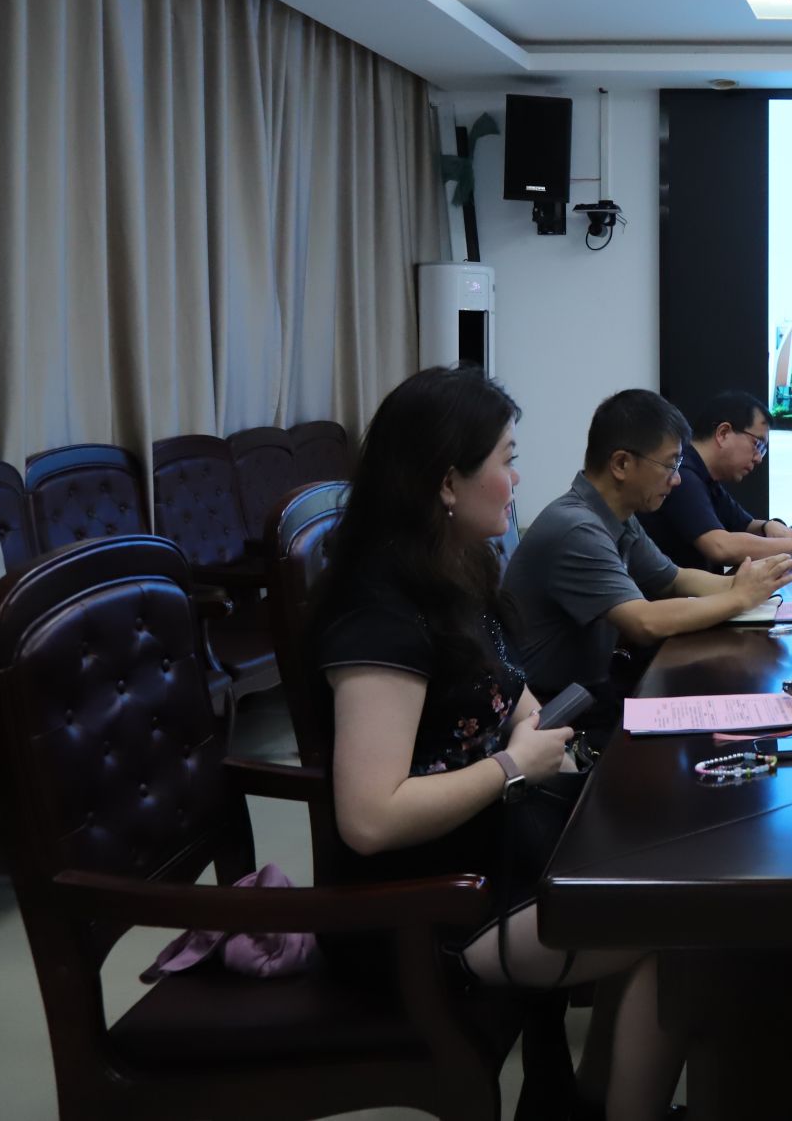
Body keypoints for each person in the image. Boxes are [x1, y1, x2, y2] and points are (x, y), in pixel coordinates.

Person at [309, 366, 679, 1116]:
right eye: (506, 460)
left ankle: (590, 1099)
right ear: (448, 481)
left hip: (489, 855)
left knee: (669, 875)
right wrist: (514, 764)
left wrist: (526, 723)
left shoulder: (456, 567)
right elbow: (370, 817)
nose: (517, 480)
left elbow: (509, 689)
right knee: (680, 927)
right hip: (422, 909)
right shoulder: (380, 612)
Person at [504, 388, 792, 706]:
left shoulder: (619, 515)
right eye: (670, 465)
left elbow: (674, 579)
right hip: (553, 708)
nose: (677, 479)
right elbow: (645, 622)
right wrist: (738, 597)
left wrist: (747, 583)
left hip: (589, 689)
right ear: (621, 464)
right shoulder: (577, 527)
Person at [640, 389, 792, 571]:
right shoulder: (683, 476)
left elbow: (744, 525)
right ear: (723, 433)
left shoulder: (706, 477)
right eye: (757, 445)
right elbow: (721, 547)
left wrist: (768, 526)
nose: (759, 458)